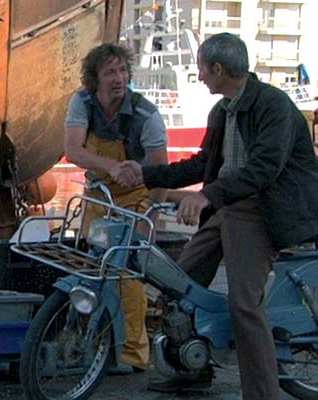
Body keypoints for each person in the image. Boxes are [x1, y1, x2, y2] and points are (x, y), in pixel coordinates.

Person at [117, 33, 318, 399]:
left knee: (244, 304)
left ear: (218, 68)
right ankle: (193, 370)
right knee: (178, 285)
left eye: (202, 70)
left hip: (264, 211)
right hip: (228, 207)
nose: (200, 77)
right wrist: (145, 174)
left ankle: (263, 394)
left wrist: (207, 196)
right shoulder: (222, 110)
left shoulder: (273, 106)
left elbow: (263, 170)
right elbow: (202, 165)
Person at [64, 43, 168, 373]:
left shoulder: (146, 115)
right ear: (94, 79)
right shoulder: (81, 103)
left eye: (123, 71)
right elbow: (73, 150)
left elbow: (161, 172)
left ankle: (133, 353)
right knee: (92, 267)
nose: (118, 78)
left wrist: (150, 212)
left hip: (137, 194)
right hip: (99, 193)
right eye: (110, 72)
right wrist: (110, 167)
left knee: (126, 274)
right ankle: (94, 345)